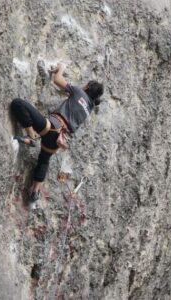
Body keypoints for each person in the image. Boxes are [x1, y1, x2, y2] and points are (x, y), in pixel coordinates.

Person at [10, 63, 104, 203]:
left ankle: (31, 135)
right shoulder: (88, 108)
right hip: (59, 140)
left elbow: (57, 80)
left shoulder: (79, 92)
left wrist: (61, 67)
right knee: (44, 160)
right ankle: (35, 191)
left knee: (18, 103)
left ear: (87, 87)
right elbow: (78, 103)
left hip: (52, 126)